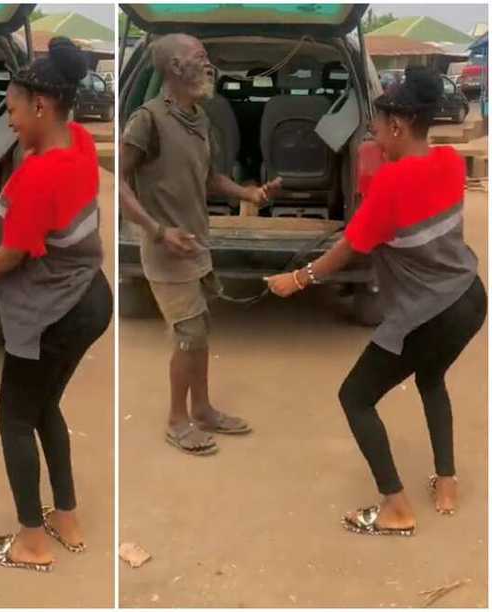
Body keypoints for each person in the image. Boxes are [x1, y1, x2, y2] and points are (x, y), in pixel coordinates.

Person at [266, 67, 487, 536]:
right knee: (431, 379)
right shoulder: (450, 162)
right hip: (470, 298)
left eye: (377, 129)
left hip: (428, 315)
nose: (375, 139)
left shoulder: (389, 184)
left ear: (398, 126)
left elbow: (350, 248)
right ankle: (446, 484)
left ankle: (397, 508)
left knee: (355, 397)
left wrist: (297, 279)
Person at [0, 37, 113, 572]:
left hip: (55, 313)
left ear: (40, 105)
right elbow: (38, 237)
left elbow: (12, 255)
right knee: (44, 405)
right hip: (90, 298)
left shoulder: (38, 174)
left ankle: (32, 541)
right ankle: (67, 516)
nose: (7, 120)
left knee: (13, 415)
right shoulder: (77, 142)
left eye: (10, 109)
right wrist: (5, 243)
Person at [118, 33, 280, 456]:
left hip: (195, 246)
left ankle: (203, 409)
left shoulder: (200, 119)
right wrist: (157, 230)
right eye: (200, 58)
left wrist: (250, 194)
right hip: (165, 250)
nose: (208, 66)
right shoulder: (147, 119)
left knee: (201, 330)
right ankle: (177, 419)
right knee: (188, 334)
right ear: (174, 67)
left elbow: (210, 178)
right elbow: (116, 181)